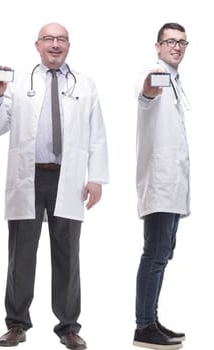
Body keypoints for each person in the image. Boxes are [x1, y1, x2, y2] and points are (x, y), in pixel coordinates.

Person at [0, 23, 108, 350]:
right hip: (29, 177)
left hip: (67, 178)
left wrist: (95, 177)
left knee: (68, 254)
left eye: (61, 39)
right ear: (37, 45)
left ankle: (68, 327)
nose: (55, 44)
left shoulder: (85, 83)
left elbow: (97, 133)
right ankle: (16, 324)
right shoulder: (19, 82)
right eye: (49, 39)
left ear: (68, 44)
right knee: (21, 253)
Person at [131, 22, 190, 350]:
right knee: (154, 253)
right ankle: (143, 326)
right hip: (160, 183)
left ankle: (151, 320)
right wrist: (152, 86)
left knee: (163, 253)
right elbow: (145, 92)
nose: (177, 47)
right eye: (170, 41)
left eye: (182, 42)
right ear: (158, 45)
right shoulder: (154, 72)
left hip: (172, 185)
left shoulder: (175, 78)